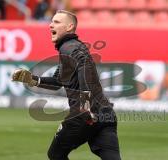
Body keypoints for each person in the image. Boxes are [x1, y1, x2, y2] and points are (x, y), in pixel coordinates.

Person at [12, 10, 121, 160]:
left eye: (56, 22)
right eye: (51, 21)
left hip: (85, 114)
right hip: (106, 114)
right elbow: (58, 82)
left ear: (69, 27)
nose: (50, 25)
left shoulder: (68, 47)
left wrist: (85, 105)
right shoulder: (71, 47)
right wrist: (33, 79)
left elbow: (84, 66)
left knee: (55, 154)